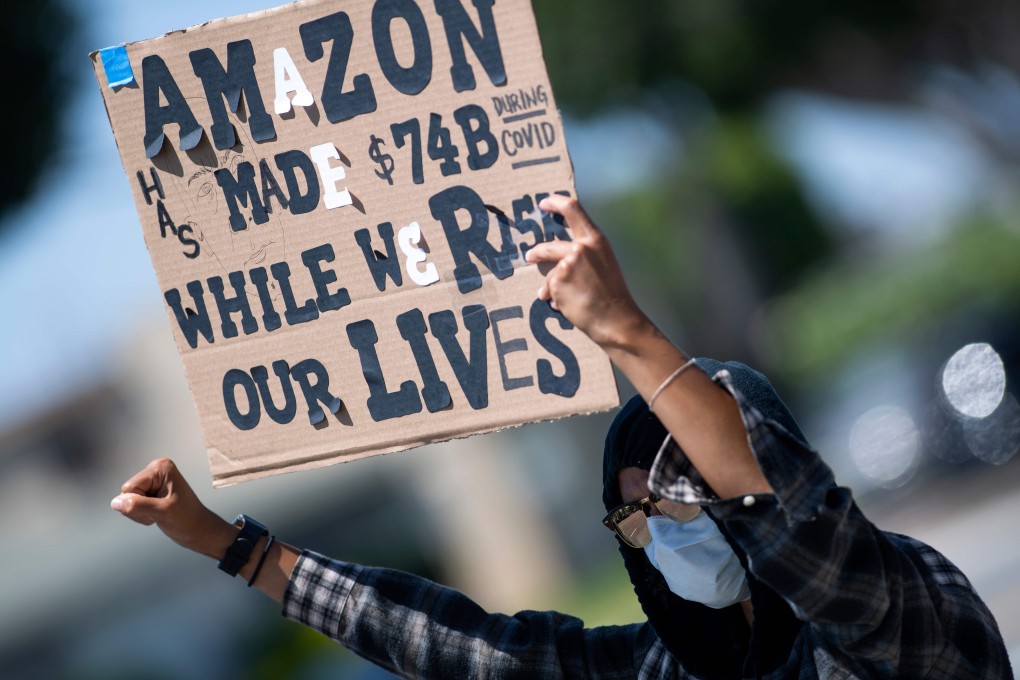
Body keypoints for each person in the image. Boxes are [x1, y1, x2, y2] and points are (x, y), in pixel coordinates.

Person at [111, 195, 1013, 678]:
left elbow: (796, 525)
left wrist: (623, 328)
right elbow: (461, 648)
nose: (660, 529)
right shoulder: (660, 669)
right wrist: (234, 549)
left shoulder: (891, 613)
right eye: (634, 520)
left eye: (680, 495)